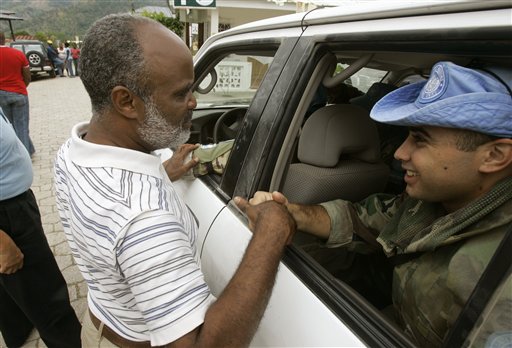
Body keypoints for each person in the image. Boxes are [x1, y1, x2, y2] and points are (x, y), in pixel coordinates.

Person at [53, 13, 296, 347]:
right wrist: (272, 233)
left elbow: (112, 219)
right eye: (181, 94)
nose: (194, 102)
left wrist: (161, 174)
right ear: (126, 101)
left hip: (101, 324)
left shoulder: (74, 148)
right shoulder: (144, 218)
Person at [250, 61, 512, 347]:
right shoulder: (430, 203)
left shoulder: (500, 279)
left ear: (494, 156)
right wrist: (290, 213)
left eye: (420, 140)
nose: (400, 152)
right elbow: (362, 218)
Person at [0, 108, 82, 348]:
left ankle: (19, 327)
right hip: (7, 218)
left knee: (13, 288)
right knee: (47, 298)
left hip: (13, 204)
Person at [0, 32, 35, 156]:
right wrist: (21, 87)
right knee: (22, 126)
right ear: (4, 40)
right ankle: (25, 155)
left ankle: (24, 151)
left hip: (1, 95)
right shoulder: (18, 54)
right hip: (19, 92)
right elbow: (27, 76)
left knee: (10, 126)